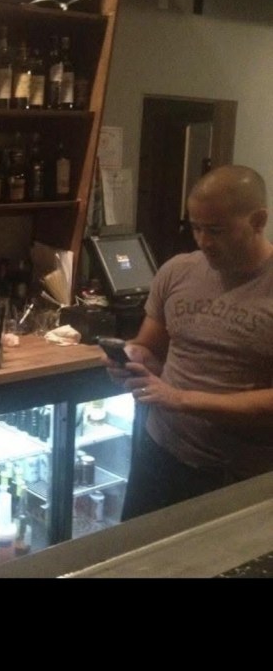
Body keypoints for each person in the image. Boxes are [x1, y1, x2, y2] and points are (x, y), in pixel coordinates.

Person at [102, 164, 273, 520]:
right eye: (195, 227)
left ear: (258, 221)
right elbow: (151, 346)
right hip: (161, 452)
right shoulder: (178, 270)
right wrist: (134, 357)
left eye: (215, 230)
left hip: (239, 474)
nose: (202, 241)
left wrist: (181, 399)